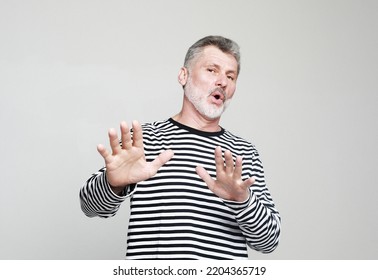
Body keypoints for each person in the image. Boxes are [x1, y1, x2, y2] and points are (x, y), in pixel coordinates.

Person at [80, 35, 281, 260]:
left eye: (230, 76)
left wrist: (243, 201)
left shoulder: (244, 153)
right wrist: (112, 183)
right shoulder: (143, 141)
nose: (223, 82)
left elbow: (269, 241)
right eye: (212, 70)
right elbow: (90, 207)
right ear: (183, 76)